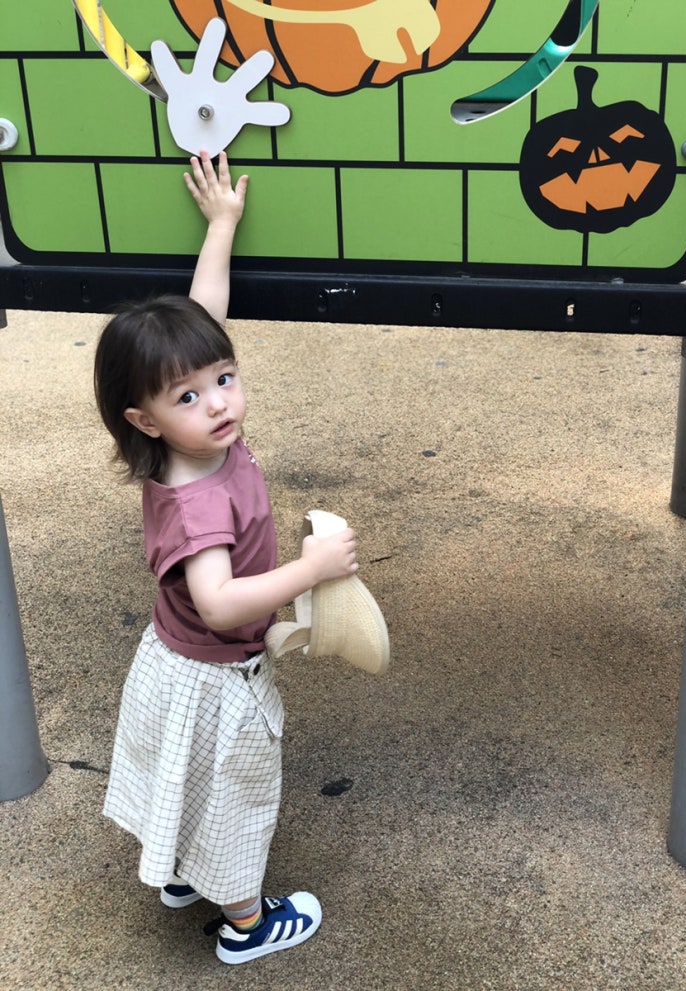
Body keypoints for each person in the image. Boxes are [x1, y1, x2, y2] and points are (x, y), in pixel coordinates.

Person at [94, 150, 358, 965]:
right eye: (190, 396)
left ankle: (181, 869)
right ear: (144, 420)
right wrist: (312, 569)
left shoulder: (188, 441)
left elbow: (203, 318)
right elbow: (217, 601)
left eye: (226, 378)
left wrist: (221, 227)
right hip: (214, 675)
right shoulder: (198, 500)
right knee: (238, 793)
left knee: (186, 774)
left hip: (174, 663)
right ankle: (245, 922)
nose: (218, 402)